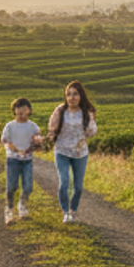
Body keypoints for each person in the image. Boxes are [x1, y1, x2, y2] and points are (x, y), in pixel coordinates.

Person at [46, 81, 97, 223]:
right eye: (68, 94)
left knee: (78, 187)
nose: (72, 97)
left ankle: (73, 210)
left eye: (75, 94)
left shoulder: (86, 112)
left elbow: (93, 130)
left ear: (81, 95)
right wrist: (52, 134)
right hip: (61, 150)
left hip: (80, 153)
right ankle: (65, 212)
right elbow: (51, 126)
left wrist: (86, 132)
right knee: (64, 182)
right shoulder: (60, 110)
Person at [1, 97, 43, 225]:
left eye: (24, 109)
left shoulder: (33, 126)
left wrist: (37, 142)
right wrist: (17, 150)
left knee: (28, 187)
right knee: (11, 187)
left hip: (27, 160)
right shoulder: (9, 126)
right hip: (12, 160)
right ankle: (9, 210)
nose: (21, 112)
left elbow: (37, 142)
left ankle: (22, 207)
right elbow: (6, 142)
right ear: (13, 111)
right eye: (18, 109)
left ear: (29, 111)